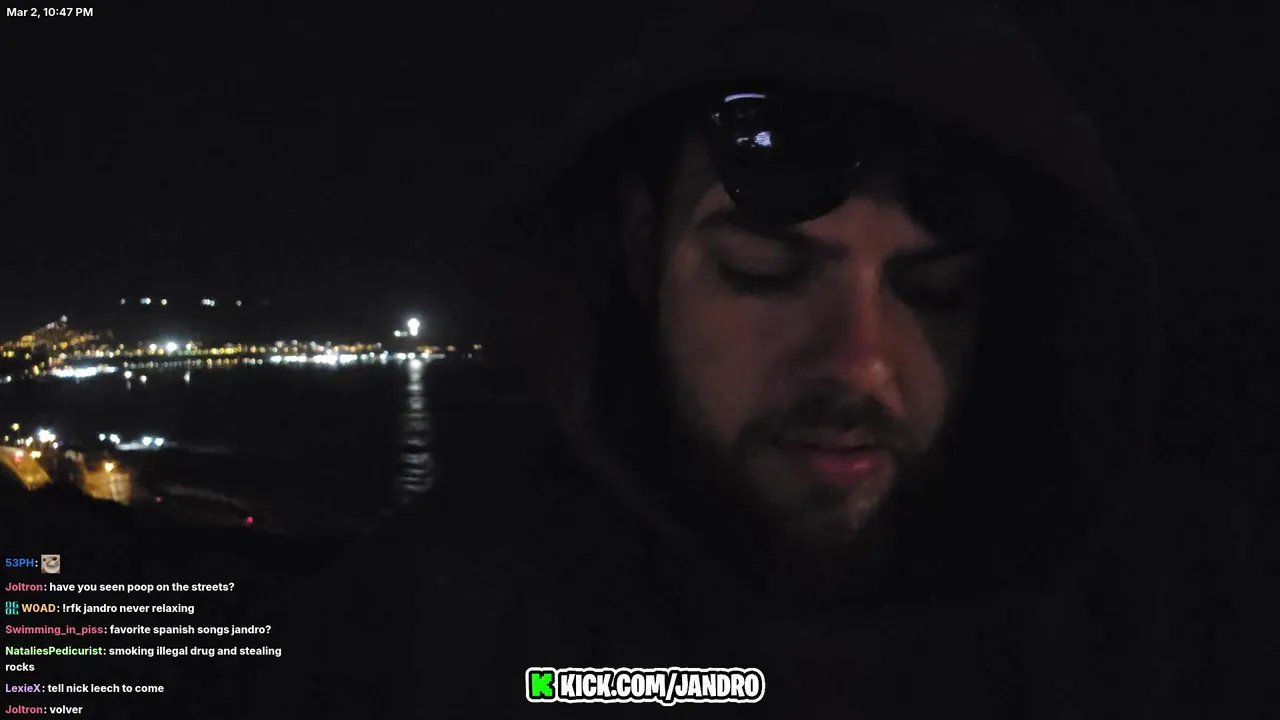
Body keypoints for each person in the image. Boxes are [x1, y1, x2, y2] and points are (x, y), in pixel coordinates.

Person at [255, 0, 1175, 717]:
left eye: (937, 292)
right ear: (639, 247)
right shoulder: (419, 639)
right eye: (762, 274)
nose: (861, 365)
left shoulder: (1176, 625)